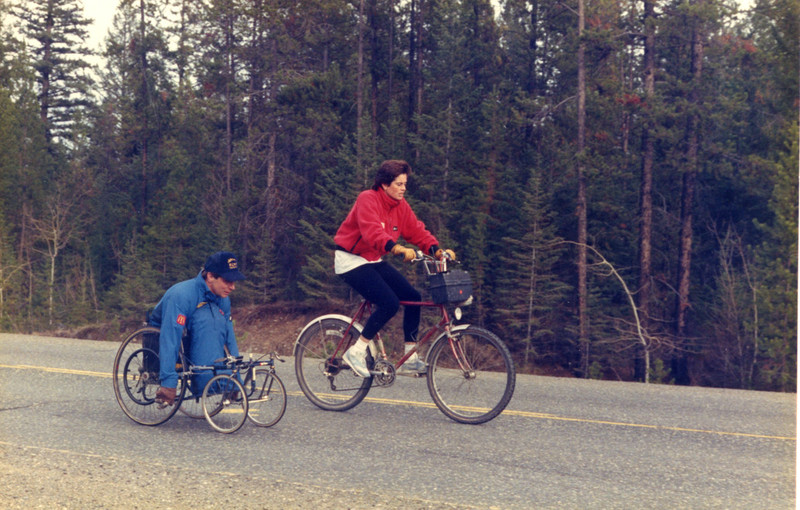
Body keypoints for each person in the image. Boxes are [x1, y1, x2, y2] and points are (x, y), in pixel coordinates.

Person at [334, 160, 455, 378]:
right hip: (350, 260)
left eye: (404, 184)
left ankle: (410, 358)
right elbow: (372, 232)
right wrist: (396, 248)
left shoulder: (400, 205)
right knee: (389, 302)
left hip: (372, 260)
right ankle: (356, 352)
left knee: (413, 296)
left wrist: (436, 250)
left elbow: (416, 230)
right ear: (384, 184)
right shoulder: (367, 199)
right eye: (399, 184)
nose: (403, 188)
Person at [149, 251, 246, 405]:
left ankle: (220, 381)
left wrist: (236, 380)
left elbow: (230, 337)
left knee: (213, 319)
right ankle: (206, 383)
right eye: (228, 281)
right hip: (166, 328)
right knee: (205, 320)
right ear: (210, 276)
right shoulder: (182, 294)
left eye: (234, 282)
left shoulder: (223, 299)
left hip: (193, 330)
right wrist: (168, 382)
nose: (233, 287)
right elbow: (170, 337)